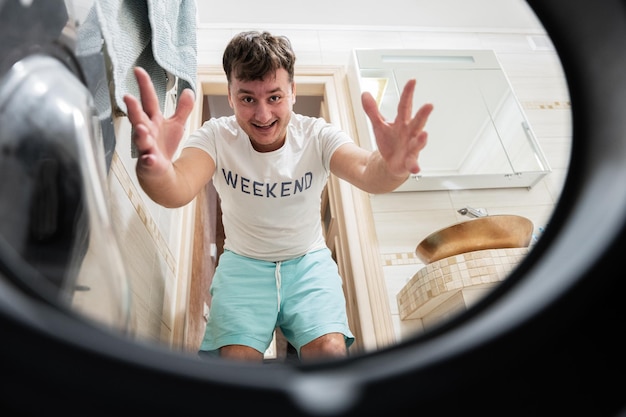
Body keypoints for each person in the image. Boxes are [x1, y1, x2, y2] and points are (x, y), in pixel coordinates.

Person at [123, 30, 433, 363]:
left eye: (274, 97)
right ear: (230, 96)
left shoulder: (317, 135)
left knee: (328, 351)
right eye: (247, 99)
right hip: (242, 263)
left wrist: (393, 165)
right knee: (236, 363)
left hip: (308, 261)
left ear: (293, 92)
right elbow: (177, 187)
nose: (263, 115)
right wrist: (154, 168)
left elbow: (368, 172)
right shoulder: (215, 136)